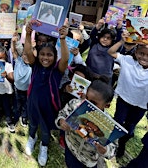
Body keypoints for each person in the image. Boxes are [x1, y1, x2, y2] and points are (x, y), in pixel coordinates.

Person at [24, 21, 69, 166]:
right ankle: (32, 138)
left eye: (49, 55)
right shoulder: (35, 65)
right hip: (32, 102)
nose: (45, 57)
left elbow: (66, 58)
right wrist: (29, 33)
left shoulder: (57, 71)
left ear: (55, 57)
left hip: (48, 107)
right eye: (42, 54)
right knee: (32, 124)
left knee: (45, 129)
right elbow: (28, 51)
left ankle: (44, 146)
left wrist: (62, 39)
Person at [56, 79, 116, 168]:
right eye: (86, 98)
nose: (87, 104)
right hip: (70, 148)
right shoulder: (75, 104)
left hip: (88, 161)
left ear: (106, 106)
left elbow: (112, 150)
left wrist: (105, 150)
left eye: (94, 103)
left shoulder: (109, 124)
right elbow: (62, 114)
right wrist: (61, 121)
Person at [107, 30, 148, 158]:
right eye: (141, 53)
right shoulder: (128, 60)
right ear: (135, 52)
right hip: (123, 100)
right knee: (118, 123)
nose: (145, 58)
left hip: (141, 106)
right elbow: (110, 52)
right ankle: (109, 144)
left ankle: (122, 143)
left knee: (130, 128)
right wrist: (121, 41)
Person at [85, 19, 122, 83]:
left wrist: (119, 29)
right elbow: (92, 35)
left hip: (105, 78)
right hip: (89, 74)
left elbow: (119, 41)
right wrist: (98, 26)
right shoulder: (95, 44)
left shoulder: (112, 49)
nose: (105, 39)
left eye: (108, 38)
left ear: (112, 40)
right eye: (103, 37)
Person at [11, 32, 31, 127]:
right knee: (17, 104)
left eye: (29, 55)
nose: (26, 57)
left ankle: (24, 117)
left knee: (26, 105)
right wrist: (13, 42)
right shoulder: (19, 61)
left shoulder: (32, 66)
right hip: (17, 88)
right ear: (22, 54)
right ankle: (15, 117)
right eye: (24, 54)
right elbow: (13, 52)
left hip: (27, 90)